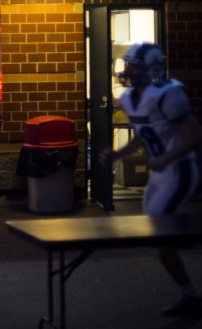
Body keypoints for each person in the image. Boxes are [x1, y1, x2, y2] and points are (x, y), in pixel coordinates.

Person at [99, 43, 202, 318]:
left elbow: (193, 134)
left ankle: (191, 293)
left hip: (179, 171)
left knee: (159, 234)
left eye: (136, 67)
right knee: (157, 235)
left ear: (152, 69)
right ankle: (190, 293)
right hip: (159, 176)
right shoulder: (131, 97)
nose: (129, 71)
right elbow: (143, 135)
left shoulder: (169, 93)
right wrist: (118, 153)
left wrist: (167, 157)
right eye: (129, 65)